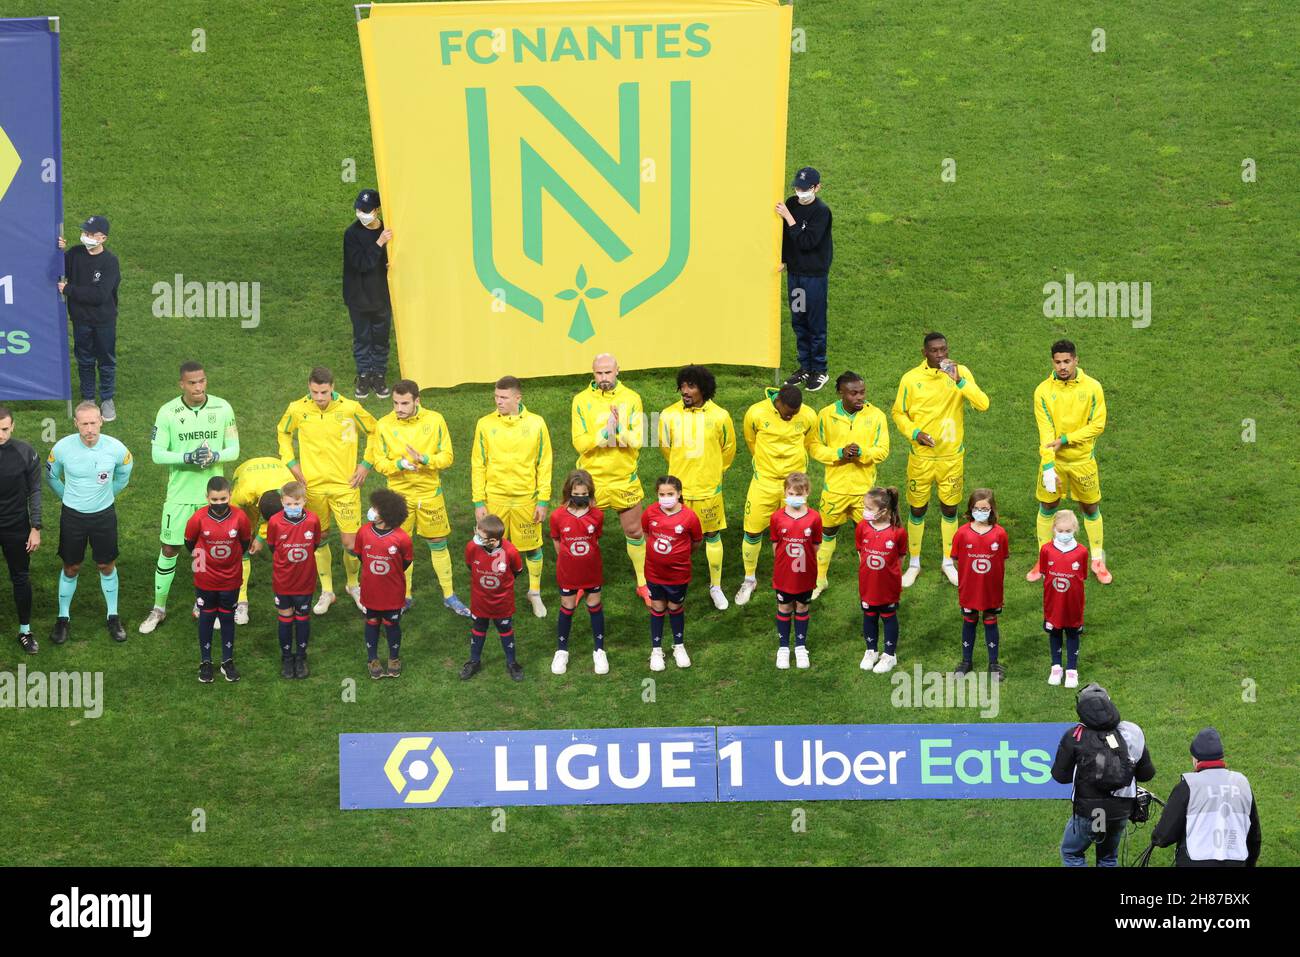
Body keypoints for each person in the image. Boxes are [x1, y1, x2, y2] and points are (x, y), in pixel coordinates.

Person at [139, 361, 240, 634]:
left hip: (212, 498)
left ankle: (202, 603)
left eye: (202, 381)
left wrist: (214, 455)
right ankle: (158, 608)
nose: (198, 387)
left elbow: (234, 449)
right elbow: (157, 454)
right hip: (180, 496)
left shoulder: (222, 408)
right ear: (181, 384)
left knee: (205, 551)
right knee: (169, 549)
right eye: (192, 383)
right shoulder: (167, 412)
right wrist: (188, 457)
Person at [275, 366, 378, 616]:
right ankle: (327, 590)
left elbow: (375, 431)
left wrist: (365, 464)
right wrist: (290, 462)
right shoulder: (297, 408)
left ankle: (354, 585)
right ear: (308, 388)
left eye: (323, 392)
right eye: (314, 392)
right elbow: (283, 432)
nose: (319, 398)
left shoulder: (351, 408)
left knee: (350, 542)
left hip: (345, 486)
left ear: (332, 387)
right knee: (319, 538)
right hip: (313, 487)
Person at [891, 332, 989, 589]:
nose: (941, 355)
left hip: (951, 458)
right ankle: (914, 563)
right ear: (925, 353)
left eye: (944, 350)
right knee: (917, 510)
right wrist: (915, 434)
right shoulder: (911, 379)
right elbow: (898, 413)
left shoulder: (961, 372)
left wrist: (959, 381)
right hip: (921, 458)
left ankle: (948, 562)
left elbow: (983, 403)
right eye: (935, 351)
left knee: (949, 509)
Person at [373, 378, 470, 616]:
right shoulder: (384, 425)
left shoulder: (435, 420)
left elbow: (447, 457)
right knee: (399, 547)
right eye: (395, 403)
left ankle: (449, 595)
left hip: (429, 494)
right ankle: (404, 596)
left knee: (438, 544)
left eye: (404, 403)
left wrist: (425, 460)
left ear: (417, 401)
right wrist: (400, 464)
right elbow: (378, 461)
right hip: (398, 498)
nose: (399, 408)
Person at [45, 402, 133, 645]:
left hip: (103, 516)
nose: (90, 429)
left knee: (106, 564)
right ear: (76, 424)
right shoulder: (62, 448)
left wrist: (109, 494)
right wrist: (67, 497)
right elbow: (51, 475)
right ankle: (63, 618)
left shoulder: (116, 449)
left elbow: (125, 470)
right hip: (73, 517)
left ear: (101, 421)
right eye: (84, 424)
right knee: (71, 567)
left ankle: (112, 616)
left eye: (94, 422)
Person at [1029, 339, 1112, 584]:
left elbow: (1098, 425)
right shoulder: (1043, 391)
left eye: (1067, 361)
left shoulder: (1093, 387)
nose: (1062, 366)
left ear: (1076, 360)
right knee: (1047, 506)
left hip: (1083, 462)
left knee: (1090, 508)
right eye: (1058, 362)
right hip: (1055, 463)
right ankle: (1044, 558)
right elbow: (1045, 433)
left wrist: (1065, 439)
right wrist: (1047, 467)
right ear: (1052, 362)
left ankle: (1097, 559)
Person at [571, 353, 650, 606]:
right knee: (585, 536)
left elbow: (637, 441)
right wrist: (605, 431)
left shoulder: (632, 398)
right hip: (591, 483)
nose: (603, 378)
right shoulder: (581, 401)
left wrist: (618, 429)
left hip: (623, 479)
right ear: (593, 374)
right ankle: (582, 582)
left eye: (608, 372)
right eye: (599, 373)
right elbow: (580, 444)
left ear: (618, 371)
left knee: (634, 531)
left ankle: (643, 583)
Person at [472, 375, 552, 618]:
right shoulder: (485, 424)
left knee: (533, 547)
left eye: (504, 397)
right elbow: (478, 464)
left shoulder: (537, 424)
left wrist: (543, 500)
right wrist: (478, 501)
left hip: (526, 498)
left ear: (518, 397)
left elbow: (544, 464)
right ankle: (497, 593)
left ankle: (534, 593)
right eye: (496, 396)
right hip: (495, 498)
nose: (498, 401)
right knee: (493, 548)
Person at [657, 364, 736, 610]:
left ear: (704, 389)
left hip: (708, 490)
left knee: (712, 535)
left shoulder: (720, 416)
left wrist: (713, 472)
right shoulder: (668, 415)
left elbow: (728, 449)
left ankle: (715, 586)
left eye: (691, 386)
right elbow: (666, 448)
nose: (685, 391)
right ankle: (674, 582)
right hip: (678, 492)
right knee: (675, 537)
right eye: (682, 386)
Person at [1051, 682, 1156, 866]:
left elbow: (1061, 777)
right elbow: (1146, 774)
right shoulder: (1132, 731)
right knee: (1108, 858)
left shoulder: (1075, 735)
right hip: (1121, 809)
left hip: (1089, 810)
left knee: (1071, 853)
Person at [735, 384, 817, 605]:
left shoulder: (808, 415)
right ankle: (749, 579)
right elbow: (751, 441)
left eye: (795, 412)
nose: (791, 416)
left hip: (794, 487)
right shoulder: (755, 413)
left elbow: (808, 442)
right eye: (788, 412)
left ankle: (795, 578)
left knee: (797, 533)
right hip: (764, 483)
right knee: (752, 532)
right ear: (778, 402)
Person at [810, 371, 890, 600]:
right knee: (827, 533)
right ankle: (820, 580)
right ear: (840, 393)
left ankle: (871, 582)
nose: (859, 397)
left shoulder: (876, 416)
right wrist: (839, 453)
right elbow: (814, 447)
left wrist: (861, 454)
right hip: (834, 490)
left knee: (867, 537)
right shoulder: (826, 415)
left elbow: (883, 449)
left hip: (864, 493)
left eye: (862, 392)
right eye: (853, 393)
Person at [1150, 728, 1261, 867]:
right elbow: (1254, 836)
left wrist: (1157, 837)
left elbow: (1164, 836)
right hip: (1236, 862)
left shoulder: (1188, 786)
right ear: (1220, 757)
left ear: (1196, 760)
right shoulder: (1242, 783)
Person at [183, 477, 252, 683]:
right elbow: (190, 543)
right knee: (206, 616)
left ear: (230, 496)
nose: (219, 503)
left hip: (231, 579)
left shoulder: (240, 518)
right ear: (207, 498)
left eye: (223, 498)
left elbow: (244, 542)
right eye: (214, 499)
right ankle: (206, 662)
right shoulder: (198, 518)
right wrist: (202, 569)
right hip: (205, 578)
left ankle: (227, 661)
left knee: (227, 617)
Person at [58, 216, 121, 422]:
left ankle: (107, 399)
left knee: (106, 360)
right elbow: (57, 268)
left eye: (91, 234)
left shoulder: (110, 262)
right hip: (80, 320)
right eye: (85, 232)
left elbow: (99, 296)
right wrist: (58, 251)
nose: (85, 237)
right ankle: (88, 399)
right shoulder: (75, 254)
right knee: (84, 359)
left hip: (104, 320)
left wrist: (69, 289)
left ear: (103, 238)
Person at [776, 167, 833, 392]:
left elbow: (807, 242)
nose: (800, 192)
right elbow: (785, 238)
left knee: (815, 323)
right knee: (799, 321)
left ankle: (820, 370)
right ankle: (805, 367)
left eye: (805, 188)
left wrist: (789, 219)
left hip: (814, 278)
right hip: (796, 277)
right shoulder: (791, 203)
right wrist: (782, 259)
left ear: (817, 188)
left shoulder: (821, 212)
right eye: (798, 188)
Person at [548, 470, 608, 675]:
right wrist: (566, 559)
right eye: (576, 493)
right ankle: (562, 651)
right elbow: (556, 540)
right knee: (567, 605)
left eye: (584, 493)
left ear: (589, 493)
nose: (580, 497)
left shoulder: (597, 515)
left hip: (592, 570)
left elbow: (596, 539)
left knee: (594, 604)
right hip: (568, 571)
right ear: (568, 492)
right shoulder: (557, 515)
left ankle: (599, 650)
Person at [259, 482, 321, 679]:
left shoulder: (313, 520)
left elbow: (315, 543)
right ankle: (286, 657)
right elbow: (272, 546)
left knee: (302, 619)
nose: (292, 507)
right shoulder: (275, 522)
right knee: (285, 619)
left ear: (304, 501)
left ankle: (301, 657)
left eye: (296, 503)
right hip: (283, 581)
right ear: (281, 502)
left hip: (305, 580)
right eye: (288, 504)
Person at [641, 476, 703, 671]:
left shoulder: (689, 517)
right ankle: (657, 650)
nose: (665, 498)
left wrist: (680, 556)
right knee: (658, 608)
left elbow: (696, 541)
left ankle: (679, 646)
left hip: (678, 575)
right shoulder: (650, 512)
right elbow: (645, 533)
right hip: (653, 573)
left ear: (679, 494)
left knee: (675, 607)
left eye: (670, 494)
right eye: (661, 494)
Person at [353, 489, 413, 679]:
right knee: (371, 622)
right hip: (371, 590)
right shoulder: (363, 531)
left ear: (387, 513)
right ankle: (372, 659)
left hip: (393, 592)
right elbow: (360, 555)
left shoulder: (402, 538)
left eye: (375, 508)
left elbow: (406, 562)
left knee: (392, 624)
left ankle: (394, 658)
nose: (371, 511)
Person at [950, 488, 1010, 680]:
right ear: (970, 509)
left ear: (992, 509)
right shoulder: (961, 533)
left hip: (991, 590)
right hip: (969, 588)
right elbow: (957, 559)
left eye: (985, 508)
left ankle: (993, 664)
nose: (981, 512)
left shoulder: (1000, 534)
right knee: (969, 622)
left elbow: (1003, 559)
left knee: (991, 622)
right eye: (977, 508)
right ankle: (966, 661)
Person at [228, 454, 294, 624]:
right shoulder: (243, 494)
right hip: (246, 470)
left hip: (276, 468)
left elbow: (276, 520)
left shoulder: (291, 491)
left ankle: (291, 590)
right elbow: (233, 515)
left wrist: (260, 536)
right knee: (242, 543)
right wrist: (250, 536)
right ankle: (241, 601)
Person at [459, 513, 525, 682]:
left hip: (502, 603)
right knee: (478, 629)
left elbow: (517, 571)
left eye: (480, 536)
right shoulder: (471, 547)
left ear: (493, 540)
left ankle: (512, 663)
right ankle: (474, 662)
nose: (476, 538)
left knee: (505, 630)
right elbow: (469, 565)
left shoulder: (510, 551)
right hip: (480, 601)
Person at [343, 188, 393, 400]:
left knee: (381, 338)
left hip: (381, 297)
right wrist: (379, 243)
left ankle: (379, 374)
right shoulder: (352, 234)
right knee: (362, 337)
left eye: (365, 209)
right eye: (359, 209)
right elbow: (361, 264)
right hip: (358, 298)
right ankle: (364, 375)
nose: (361, 212)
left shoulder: (389, 232)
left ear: (377, 210)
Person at [0, 407, 43, 653]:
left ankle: (25, 631)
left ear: (13, 426)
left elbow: (35, 490)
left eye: (5, 429)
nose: (1, 435)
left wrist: (35, 527)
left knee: (20, 578)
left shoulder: (26, 453)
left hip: (16, 527)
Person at [770, 472, 822, 670]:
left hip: (805, 575)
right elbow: (776, 546)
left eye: (798, 494)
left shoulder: (815, 518)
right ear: (784, 492)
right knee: (784, 608)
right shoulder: (776, 517)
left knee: (802, 608)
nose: (794, 497)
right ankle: (783, 648)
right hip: (784, 575)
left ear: (807, 492)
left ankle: (800, 647)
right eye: (790, 493)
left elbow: (815, 546)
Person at [855, 486, 907, 673]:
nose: (865, 512)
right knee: (869, 616)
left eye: (869, 508)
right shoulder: (862, 527)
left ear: (884, 511)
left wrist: (890, 575)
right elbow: (861, 551)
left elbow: (900, 558)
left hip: (888, 586)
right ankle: (871, 651)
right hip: (868, 584)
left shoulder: (898, 532)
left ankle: (889, 655)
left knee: (888, 617)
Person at [1040, 509, 1089, 689]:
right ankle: (1056, 667)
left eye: (1068, 531)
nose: (1064, 534)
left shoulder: (1082, 552)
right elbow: (1045, 573)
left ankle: (1071, 670)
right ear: (1053, 529)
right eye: (1060, 531)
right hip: (1053, 603)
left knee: (1072, 633)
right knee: (1054, 633)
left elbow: (1082, 576)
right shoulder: (1046, 550)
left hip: (1073, 604)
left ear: (1075, 529)